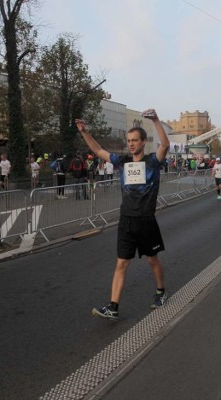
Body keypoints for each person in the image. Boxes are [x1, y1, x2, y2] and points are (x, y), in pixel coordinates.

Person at [76, 108, 169, 320]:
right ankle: (113, 306)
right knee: (121, 263)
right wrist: (84, 132)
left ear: (143, 142)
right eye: (129, 140)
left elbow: (165, 145)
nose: (131, 143)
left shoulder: (153, 162)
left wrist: (155, 119)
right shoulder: (122, 162)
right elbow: (98, 150)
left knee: (152, 260)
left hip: (146, 221)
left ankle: (161, 292)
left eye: (135, 140)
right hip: (126, 220)